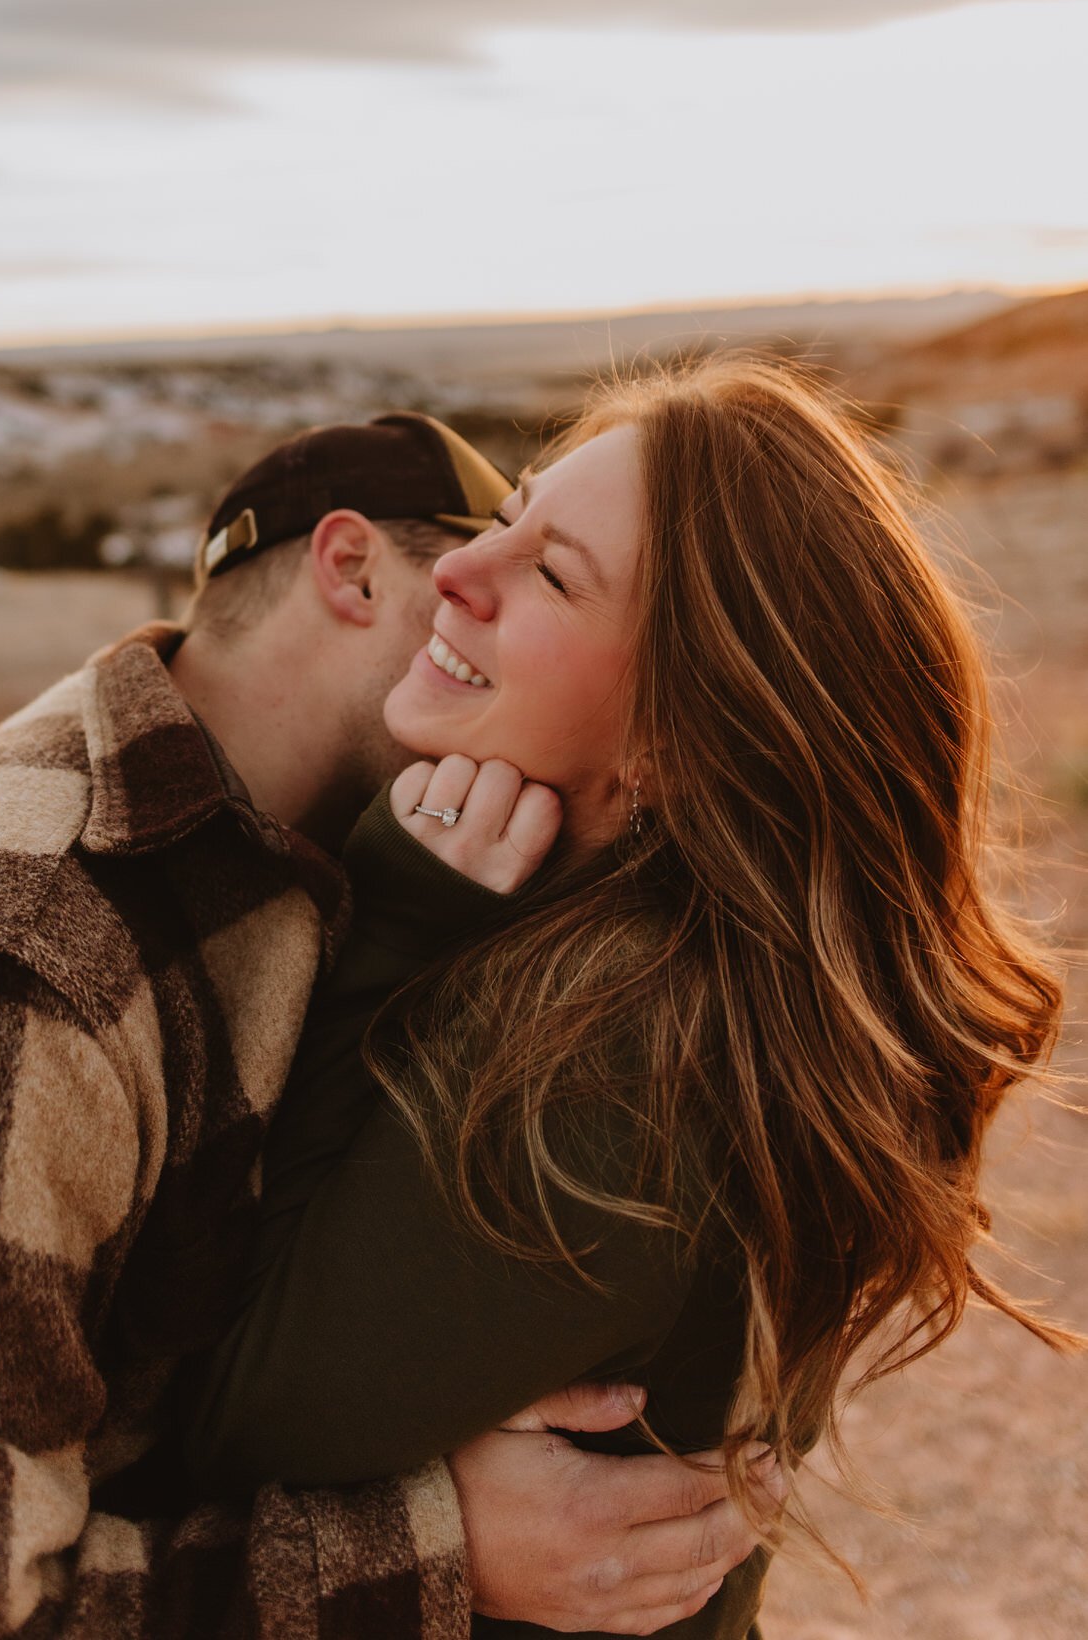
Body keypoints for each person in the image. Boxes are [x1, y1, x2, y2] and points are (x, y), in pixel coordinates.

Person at [0, 411, 770, 1640]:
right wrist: (431, 1553)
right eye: (484, 544)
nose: (474, 595)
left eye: (547, 573)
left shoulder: (332, 865)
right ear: (349, 568)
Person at [185, 355, 1074, 1637]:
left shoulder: (619, 1077)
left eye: (550, 574)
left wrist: (388, 927)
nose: (456, 573)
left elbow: (227, 1421)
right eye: (510, 517)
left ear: (676, 740)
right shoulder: (696, 971)